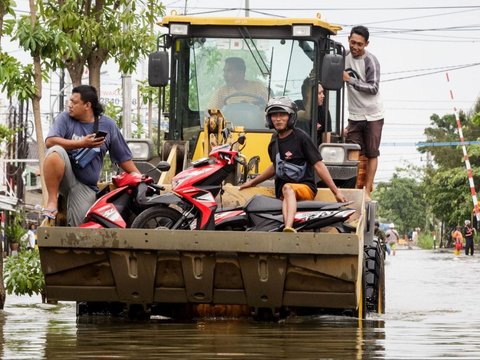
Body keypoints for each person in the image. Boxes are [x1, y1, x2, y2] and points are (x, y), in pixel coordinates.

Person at [239, 96, 347, 233]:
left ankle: (288, 227)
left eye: (282, 115)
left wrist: (336, 192)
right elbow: (275, 166)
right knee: (284, 190)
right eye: (274, 115)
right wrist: (252, 182)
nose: (278, 119)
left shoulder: (301, 138)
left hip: (304, 189)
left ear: (290, 117)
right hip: (283, 193)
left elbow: (319, 165)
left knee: (288, 188)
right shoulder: (273, 141)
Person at [43, 85, 140, 227]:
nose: (69, 105)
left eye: (74, 102)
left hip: (86, 186)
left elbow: (123, 159)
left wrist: (139, 178)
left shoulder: (108, 125)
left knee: (81, 231)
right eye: (69, 101)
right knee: (55, 151)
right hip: (66, 177)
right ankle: (52, 200)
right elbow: (49, 141)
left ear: (87, 105)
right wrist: (82, 143)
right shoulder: (64, 119)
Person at [343, 25, 384, 201]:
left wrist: (350, 80)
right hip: (354, 115)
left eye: (360, 44)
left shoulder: (371, 61)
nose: (356, 47)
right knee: (354, 152)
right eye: (353, 42)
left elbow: (373, 87)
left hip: (373, 114)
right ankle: (354, 187)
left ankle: (367, 189)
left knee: (372, 153)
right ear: (348, 40)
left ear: (366, 44)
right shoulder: (343, 57)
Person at [296, 78, 332, 145]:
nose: (323, 96)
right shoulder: (296, 106)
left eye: (322, 92)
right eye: (319, 93)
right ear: (308, 94)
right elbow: (306, 116)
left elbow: (326, 143)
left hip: (315, 152)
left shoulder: (324, 112)